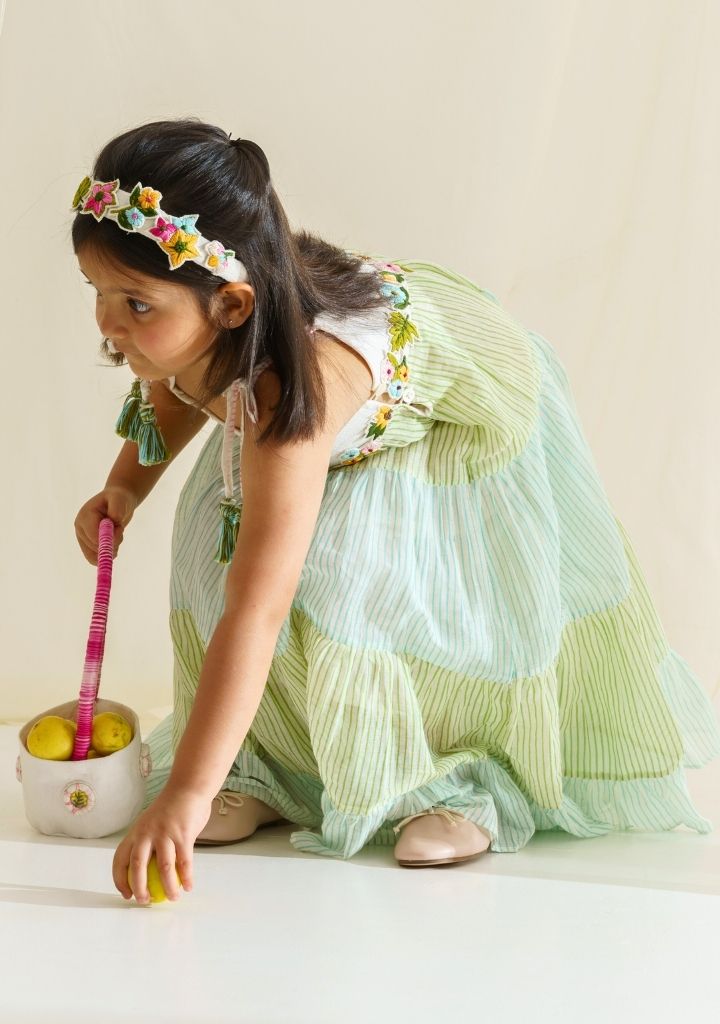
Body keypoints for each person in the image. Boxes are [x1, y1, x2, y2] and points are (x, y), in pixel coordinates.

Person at [72, 118, 720, 905]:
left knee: (359, 584)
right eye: (101, 295)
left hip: (450, 402)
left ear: (234, 306)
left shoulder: (289, 390)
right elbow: (174, 381)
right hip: (302, 409)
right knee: (207, 547)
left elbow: (258, 608)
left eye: (136, 303)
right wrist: (127, 485)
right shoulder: (196, 330)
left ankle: (454, 779)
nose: (111, 325)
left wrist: (181, 796)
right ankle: (274, 765)